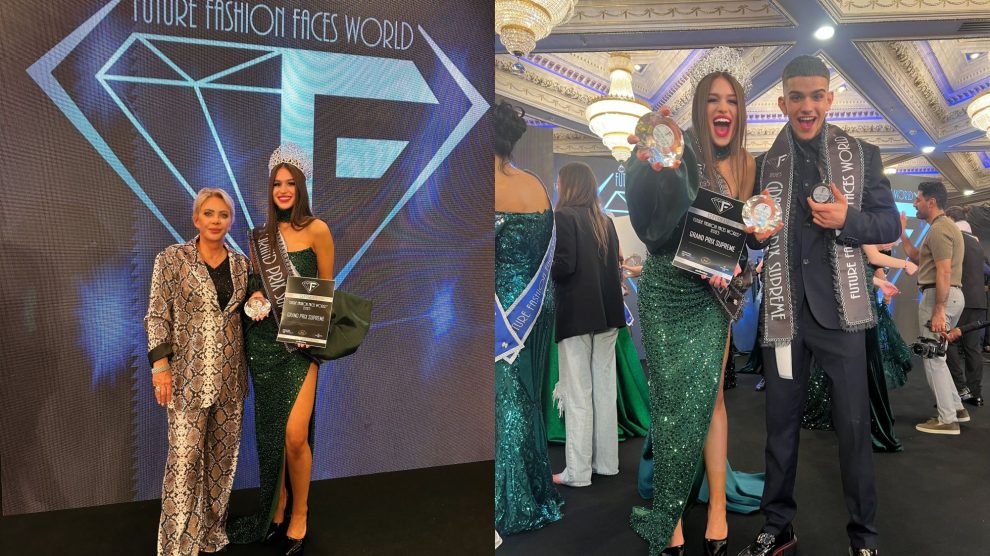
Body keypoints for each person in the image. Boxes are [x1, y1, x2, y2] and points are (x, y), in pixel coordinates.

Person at [736, 55, 900, 556]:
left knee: (853, 429)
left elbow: (889, 225)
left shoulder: (863, 155)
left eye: (815, 96)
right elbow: (753, 234)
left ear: (830, 99)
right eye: (796, 97)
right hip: (785, 313)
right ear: (782, 102)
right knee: (779, 427)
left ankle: (863, 537)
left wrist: (849, 219)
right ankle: (778, 524)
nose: (806, 107)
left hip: (842, 316)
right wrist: (754, 235)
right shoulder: (764, 164)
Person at [626, 47, 774, 556]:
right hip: (668, 290)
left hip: (713, 297)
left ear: (740, 110)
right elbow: (651, 216)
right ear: (700, 108)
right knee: (670, 403)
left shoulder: (748, 164)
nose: (722, 107)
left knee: (712, 399)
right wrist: (647, 165)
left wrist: (757, 235)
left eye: (731, 100)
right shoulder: (680, 148)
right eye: (713, 99)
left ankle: (716, 512)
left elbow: (741, 234)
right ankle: (670, 518)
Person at [227, 144, 334, 555]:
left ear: (301, 187)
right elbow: (259, 285)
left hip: (300, 344)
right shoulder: (262, 237)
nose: (283, 190)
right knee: (272, 432)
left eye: (290, 183)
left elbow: (325, 289)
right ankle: (279, 505)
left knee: (294, 434)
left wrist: (311, 328)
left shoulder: (318, 230)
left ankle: (300, 513)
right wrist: (255, 298)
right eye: (277, 184)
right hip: (264, 345)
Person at [145, 188, 249, 555]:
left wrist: (256, 302)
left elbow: (244, 315)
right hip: (186, 379)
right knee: (185, 462)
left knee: (222, 462)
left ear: (230, 220)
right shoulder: (172, 259)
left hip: (231, 380)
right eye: (209, 213)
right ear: (196, 218)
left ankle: (210, 535)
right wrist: (160, 367)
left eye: (223, 214)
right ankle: (177, 546)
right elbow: (157, 315)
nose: (216, 220)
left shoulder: (241, 265)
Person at [493, 101, 564, 535]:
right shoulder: (537, 184)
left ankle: (512, 498)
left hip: (504, 314)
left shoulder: (484, 188)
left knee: (507, 404)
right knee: (527, 400)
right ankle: (535, 486)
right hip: (537, 308)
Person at [549, 161, 626, 488]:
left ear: (568, 185)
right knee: (604, 391)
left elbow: (564, 267)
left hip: (576, 315)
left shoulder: (562, 217)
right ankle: (606, 464)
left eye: (559, 182)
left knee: (579, 393)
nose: (556, 186)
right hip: (608, 316)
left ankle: (578, 473)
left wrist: (543, 263)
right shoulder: (605, 221)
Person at [800, 243, 916, 452]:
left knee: (859, 365)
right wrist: (905, 264)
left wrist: (880, 282)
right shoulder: (858, 232)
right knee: (860, 365)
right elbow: (872, 258)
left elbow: (863, 268)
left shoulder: (856, 237)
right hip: (855, 308)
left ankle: (856, 421)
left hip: (860, 304)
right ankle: (862, 425)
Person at [899, 182, 970, 435]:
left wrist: (938, 309)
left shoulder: (940, 230)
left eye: (918, 199)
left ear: (931, 202)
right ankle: (957, 409)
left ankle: (946, 419)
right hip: (947, 296)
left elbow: (944, 271)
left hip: (939, 297)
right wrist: (903, 234)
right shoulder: (941, 228)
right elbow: (918, 258)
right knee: (937, 357)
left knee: (931, 358)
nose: (915, 203)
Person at [943, 206, 985, 407]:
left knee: (948, 342)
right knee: (972, 348)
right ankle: (976, 394)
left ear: (950, 219)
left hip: (958, 299)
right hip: (978, 301)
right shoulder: (976, 242)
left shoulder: (954, 239)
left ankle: (960, 389)